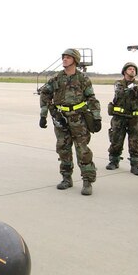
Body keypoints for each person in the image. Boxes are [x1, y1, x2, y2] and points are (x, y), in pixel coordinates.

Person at [38, 48, 102, 195]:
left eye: (68, 57)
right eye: (64, 57)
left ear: (75, 60)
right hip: (60, 118)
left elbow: (92, 98)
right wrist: (45, 114)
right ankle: (66, 178)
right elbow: (45, 93)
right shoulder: (56, 78)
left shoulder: (82, 79)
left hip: (78, 118)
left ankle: (87, 180)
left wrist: (97, 117)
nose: (65, 59)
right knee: (63, 148)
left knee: (82, 150)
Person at [106, 62, 138, 175]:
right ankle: (113, 161)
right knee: (116, 140)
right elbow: (121, 93)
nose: (132, 71)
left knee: (135, 142)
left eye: (134, 69)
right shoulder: (119, 83)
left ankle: (135, 164)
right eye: (130, 69)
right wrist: (134, 88)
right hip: (119, 117)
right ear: (124, 72)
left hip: (134, 118)